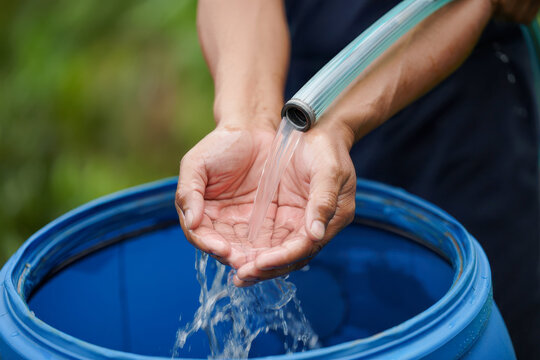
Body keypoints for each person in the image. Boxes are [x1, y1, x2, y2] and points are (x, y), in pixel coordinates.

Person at [175, 0, 540, 358]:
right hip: (301, 108)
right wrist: (248, 120)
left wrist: (336, 124)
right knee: (316, 315)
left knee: (495, 305)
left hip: (463, 125)